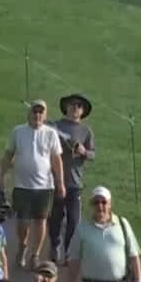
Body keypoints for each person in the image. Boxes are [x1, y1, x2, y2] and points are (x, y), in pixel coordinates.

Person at [0, 99, 66, 270]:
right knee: (23, 221)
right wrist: (0, 178)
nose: (37, 115)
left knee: (41, 220)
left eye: (41, 112)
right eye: (35, 112)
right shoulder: (18, 132)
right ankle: (22, 247)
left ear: (45, 115)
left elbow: (56, 160)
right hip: (22, 185)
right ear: (29, 113)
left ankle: (35, 254)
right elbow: (7, 156)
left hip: (44, 186)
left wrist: (60, 183)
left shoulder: (50, 134)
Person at [64, 187, 141, 282]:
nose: (100, 206)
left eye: (103, 202)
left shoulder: (122, 224)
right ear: (91, 206)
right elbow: (74, 260)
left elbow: (134, 256)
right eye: (96, 203)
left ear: (110, 204)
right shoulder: (82, 228)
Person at [48, 93, 95, 263]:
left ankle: (68, 251)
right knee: (55, 218)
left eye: (79, 106)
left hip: (75, 183)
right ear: (66, 107)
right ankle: (55, 244)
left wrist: (84, 151)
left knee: (74, 221)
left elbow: (93, 154)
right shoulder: (54, 125)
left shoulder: (86, 131)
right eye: (72, 104)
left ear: (82, 111)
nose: (76, 107)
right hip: (54, 180)